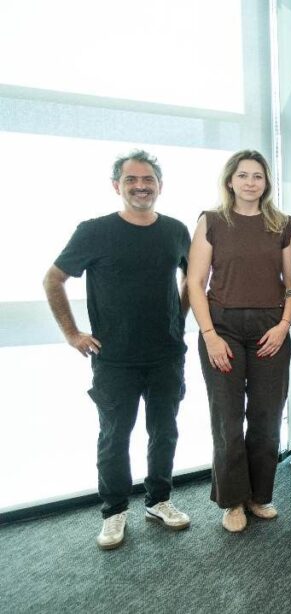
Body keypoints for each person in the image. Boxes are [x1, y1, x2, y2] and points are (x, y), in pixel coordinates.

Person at [43, 150, 192, 550]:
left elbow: (193, 278)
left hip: (166, 355)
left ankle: (159, 501)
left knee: (164, 432)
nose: (141, 186)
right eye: (131, 180)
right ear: (116, 186)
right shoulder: (94, 231)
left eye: (148, 180)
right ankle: (114, 511)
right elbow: (53, 279)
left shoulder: (176, 230)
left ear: (160, 186)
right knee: (114, 437)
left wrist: (177, 319)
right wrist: (72, 333)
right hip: (115, 359)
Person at [186, 150, 291, 533]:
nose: (251, 182)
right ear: (230, 180)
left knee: (267, 419)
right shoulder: (212, 221)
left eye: (258, 176)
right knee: (227, 420)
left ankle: (258, 496)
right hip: (223, 329)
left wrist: (283, 326)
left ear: (266, 183)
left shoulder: (282, 225)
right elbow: (195, 283)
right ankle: (232, 501)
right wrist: (210, 336)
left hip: (271, 329)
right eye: (244, 175)